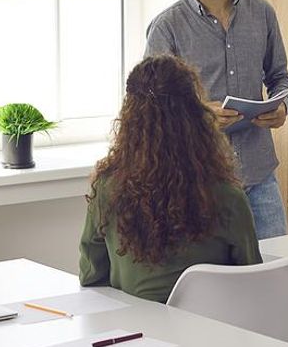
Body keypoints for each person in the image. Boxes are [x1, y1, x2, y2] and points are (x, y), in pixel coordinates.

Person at [144, 0, 288, 239]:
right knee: (214, 285)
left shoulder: (262, 14)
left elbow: (281, 77)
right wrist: (199, 114)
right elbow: (149, 108)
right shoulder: (167, 27)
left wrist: (283, 107)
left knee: (275, 277)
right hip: (199, 183)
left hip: (260, 177)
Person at [78, 55, 262, 302]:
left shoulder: (107, 189)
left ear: (129, 120)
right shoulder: (227, 196)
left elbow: (91, 277)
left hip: (135, 333)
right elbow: (252, 280)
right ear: (196, 115)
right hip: (213, 332)